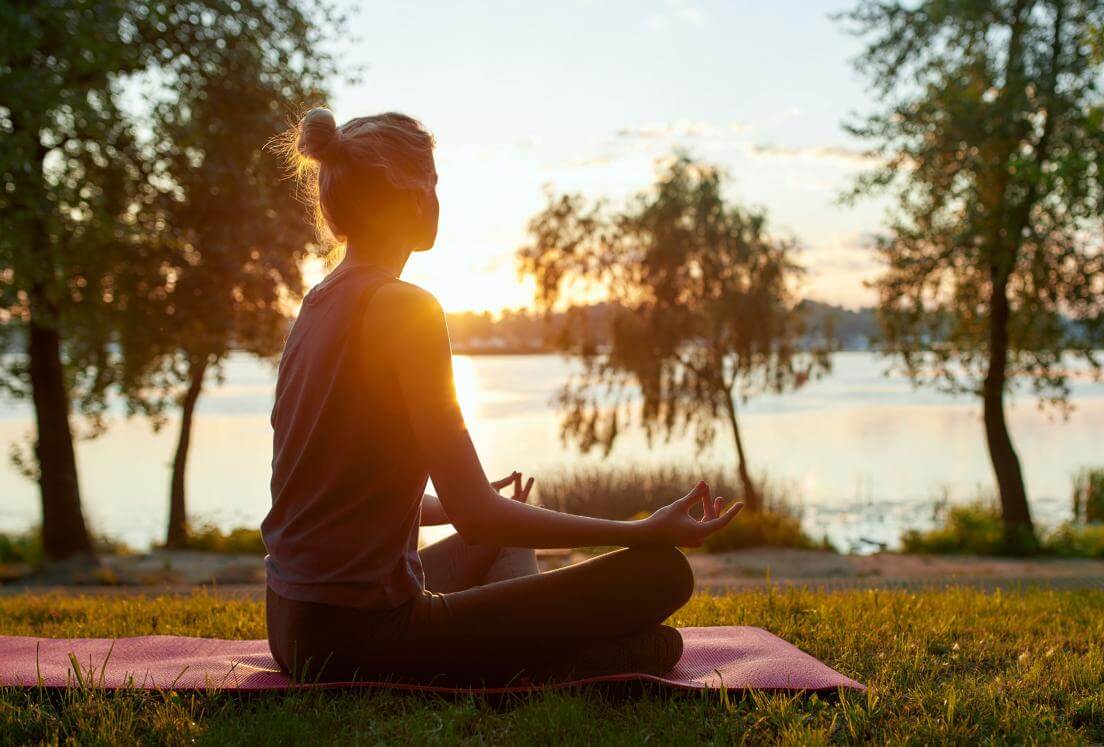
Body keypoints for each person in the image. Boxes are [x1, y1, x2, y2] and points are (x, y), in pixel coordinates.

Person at [261, 108, 744, 686]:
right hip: (360, 637)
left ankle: (512, 645)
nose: (438, 198)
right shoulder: (406, 308)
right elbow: (482, 518)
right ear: (411, 194)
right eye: (434, 182)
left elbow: (331, 494)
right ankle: (536, 661)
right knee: (663, 576)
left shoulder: (318, 303)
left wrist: (448, 504)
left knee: (494, 557)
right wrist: (641, 531)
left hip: (292, 625)